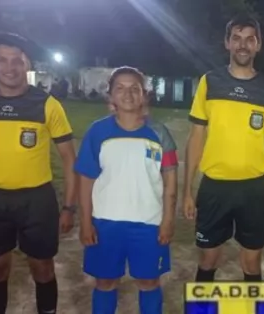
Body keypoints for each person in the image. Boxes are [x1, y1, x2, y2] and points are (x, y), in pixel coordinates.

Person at [0, 33, 77, 314]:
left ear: (27, 64)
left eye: (17, 61)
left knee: (43, 268)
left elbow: (69, 159)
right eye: (2, 60)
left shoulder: (47, 105)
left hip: (37, 200)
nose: (10, 68)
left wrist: (70, 206)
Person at [183, 15, 264, 283]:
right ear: (227, 43)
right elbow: (196, 138)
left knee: (252, 263)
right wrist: (187, 191)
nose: (243, 45)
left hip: (253, 190)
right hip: (214, 187)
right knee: (208, 259)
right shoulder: (210, 82)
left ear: (258, 45)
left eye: (250, 39)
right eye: (237, 38)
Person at [75, 66, 177, 314]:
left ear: (144, 94)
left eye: (135, 88)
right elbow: (85, 182)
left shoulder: (160, 133)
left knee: (149, 282)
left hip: (149, 224)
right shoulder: (97, 132)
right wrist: (86, 223)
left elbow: (171, 182)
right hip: (105, 224)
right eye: (120, 88)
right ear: (110, 96)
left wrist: (168, 221)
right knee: (106, 282)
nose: (128, 94)